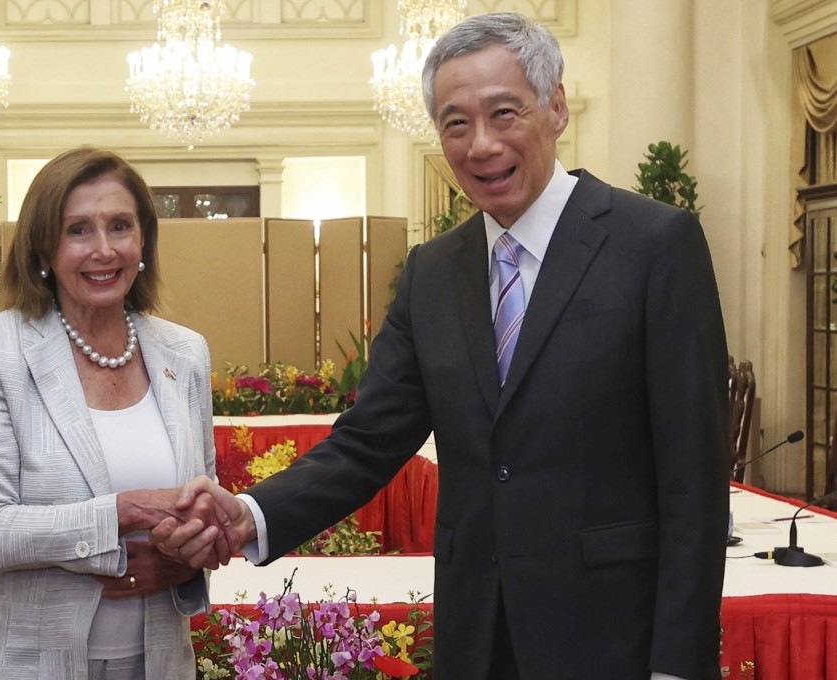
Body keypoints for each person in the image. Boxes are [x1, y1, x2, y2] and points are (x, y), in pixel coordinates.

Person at [156, 12, 731, 680]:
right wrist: (249, 515)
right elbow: (368, 440)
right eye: (456, 123)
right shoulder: (434, 271)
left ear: (557, 108)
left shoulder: (653, 245)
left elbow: (694, 478)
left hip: (614, 638)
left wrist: (679, 665)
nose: (480, 144)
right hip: (475, 636)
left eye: (503, 113)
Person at [0, 147, 226, 680]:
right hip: (21, 664)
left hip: (156, 662)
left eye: (120, 226)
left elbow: (199, 500)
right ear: (44, 249)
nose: (103, 249)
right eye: (78, 230)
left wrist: (189, 552)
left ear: (143, 240)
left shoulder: (184, 353)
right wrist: (125, 510)